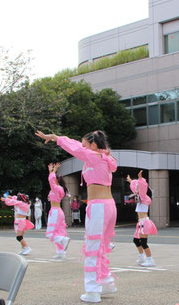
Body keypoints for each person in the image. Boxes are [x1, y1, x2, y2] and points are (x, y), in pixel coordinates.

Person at [36, 130, 117, 303]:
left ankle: (93, 290)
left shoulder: (94, 157)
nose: (82, 148)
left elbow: (74, 147)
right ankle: (105, 283)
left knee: (93, 247)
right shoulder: (104, 158)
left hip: (99, 207)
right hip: (108, 206)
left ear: (93, 145)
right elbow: (76, 145)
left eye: (85, 145)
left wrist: (57, 138)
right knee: (100, 246)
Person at [127, 170, 158, 267]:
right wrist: (130, 181)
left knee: (143, 243)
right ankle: (142, 257)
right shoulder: (140, 197)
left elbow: (142, 187)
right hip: (140, 222)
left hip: (145, 222)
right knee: (136, 240)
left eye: (138, 188)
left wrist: (140, 179)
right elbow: (135, 187)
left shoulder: (145, 197)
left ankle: (150, 260)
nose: (136, 189)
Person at [46, 162, 71, 259]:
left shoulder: (57, 188)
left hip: (55, 212)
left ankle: (63, 240)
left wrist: (53, 171)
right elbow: (51, 180)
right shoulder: (58, 188)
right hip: (58, 211)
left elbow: (51, 180)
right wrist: (51, 172)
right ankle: (61, 252)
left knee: (50, 233)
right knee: (60, 232)